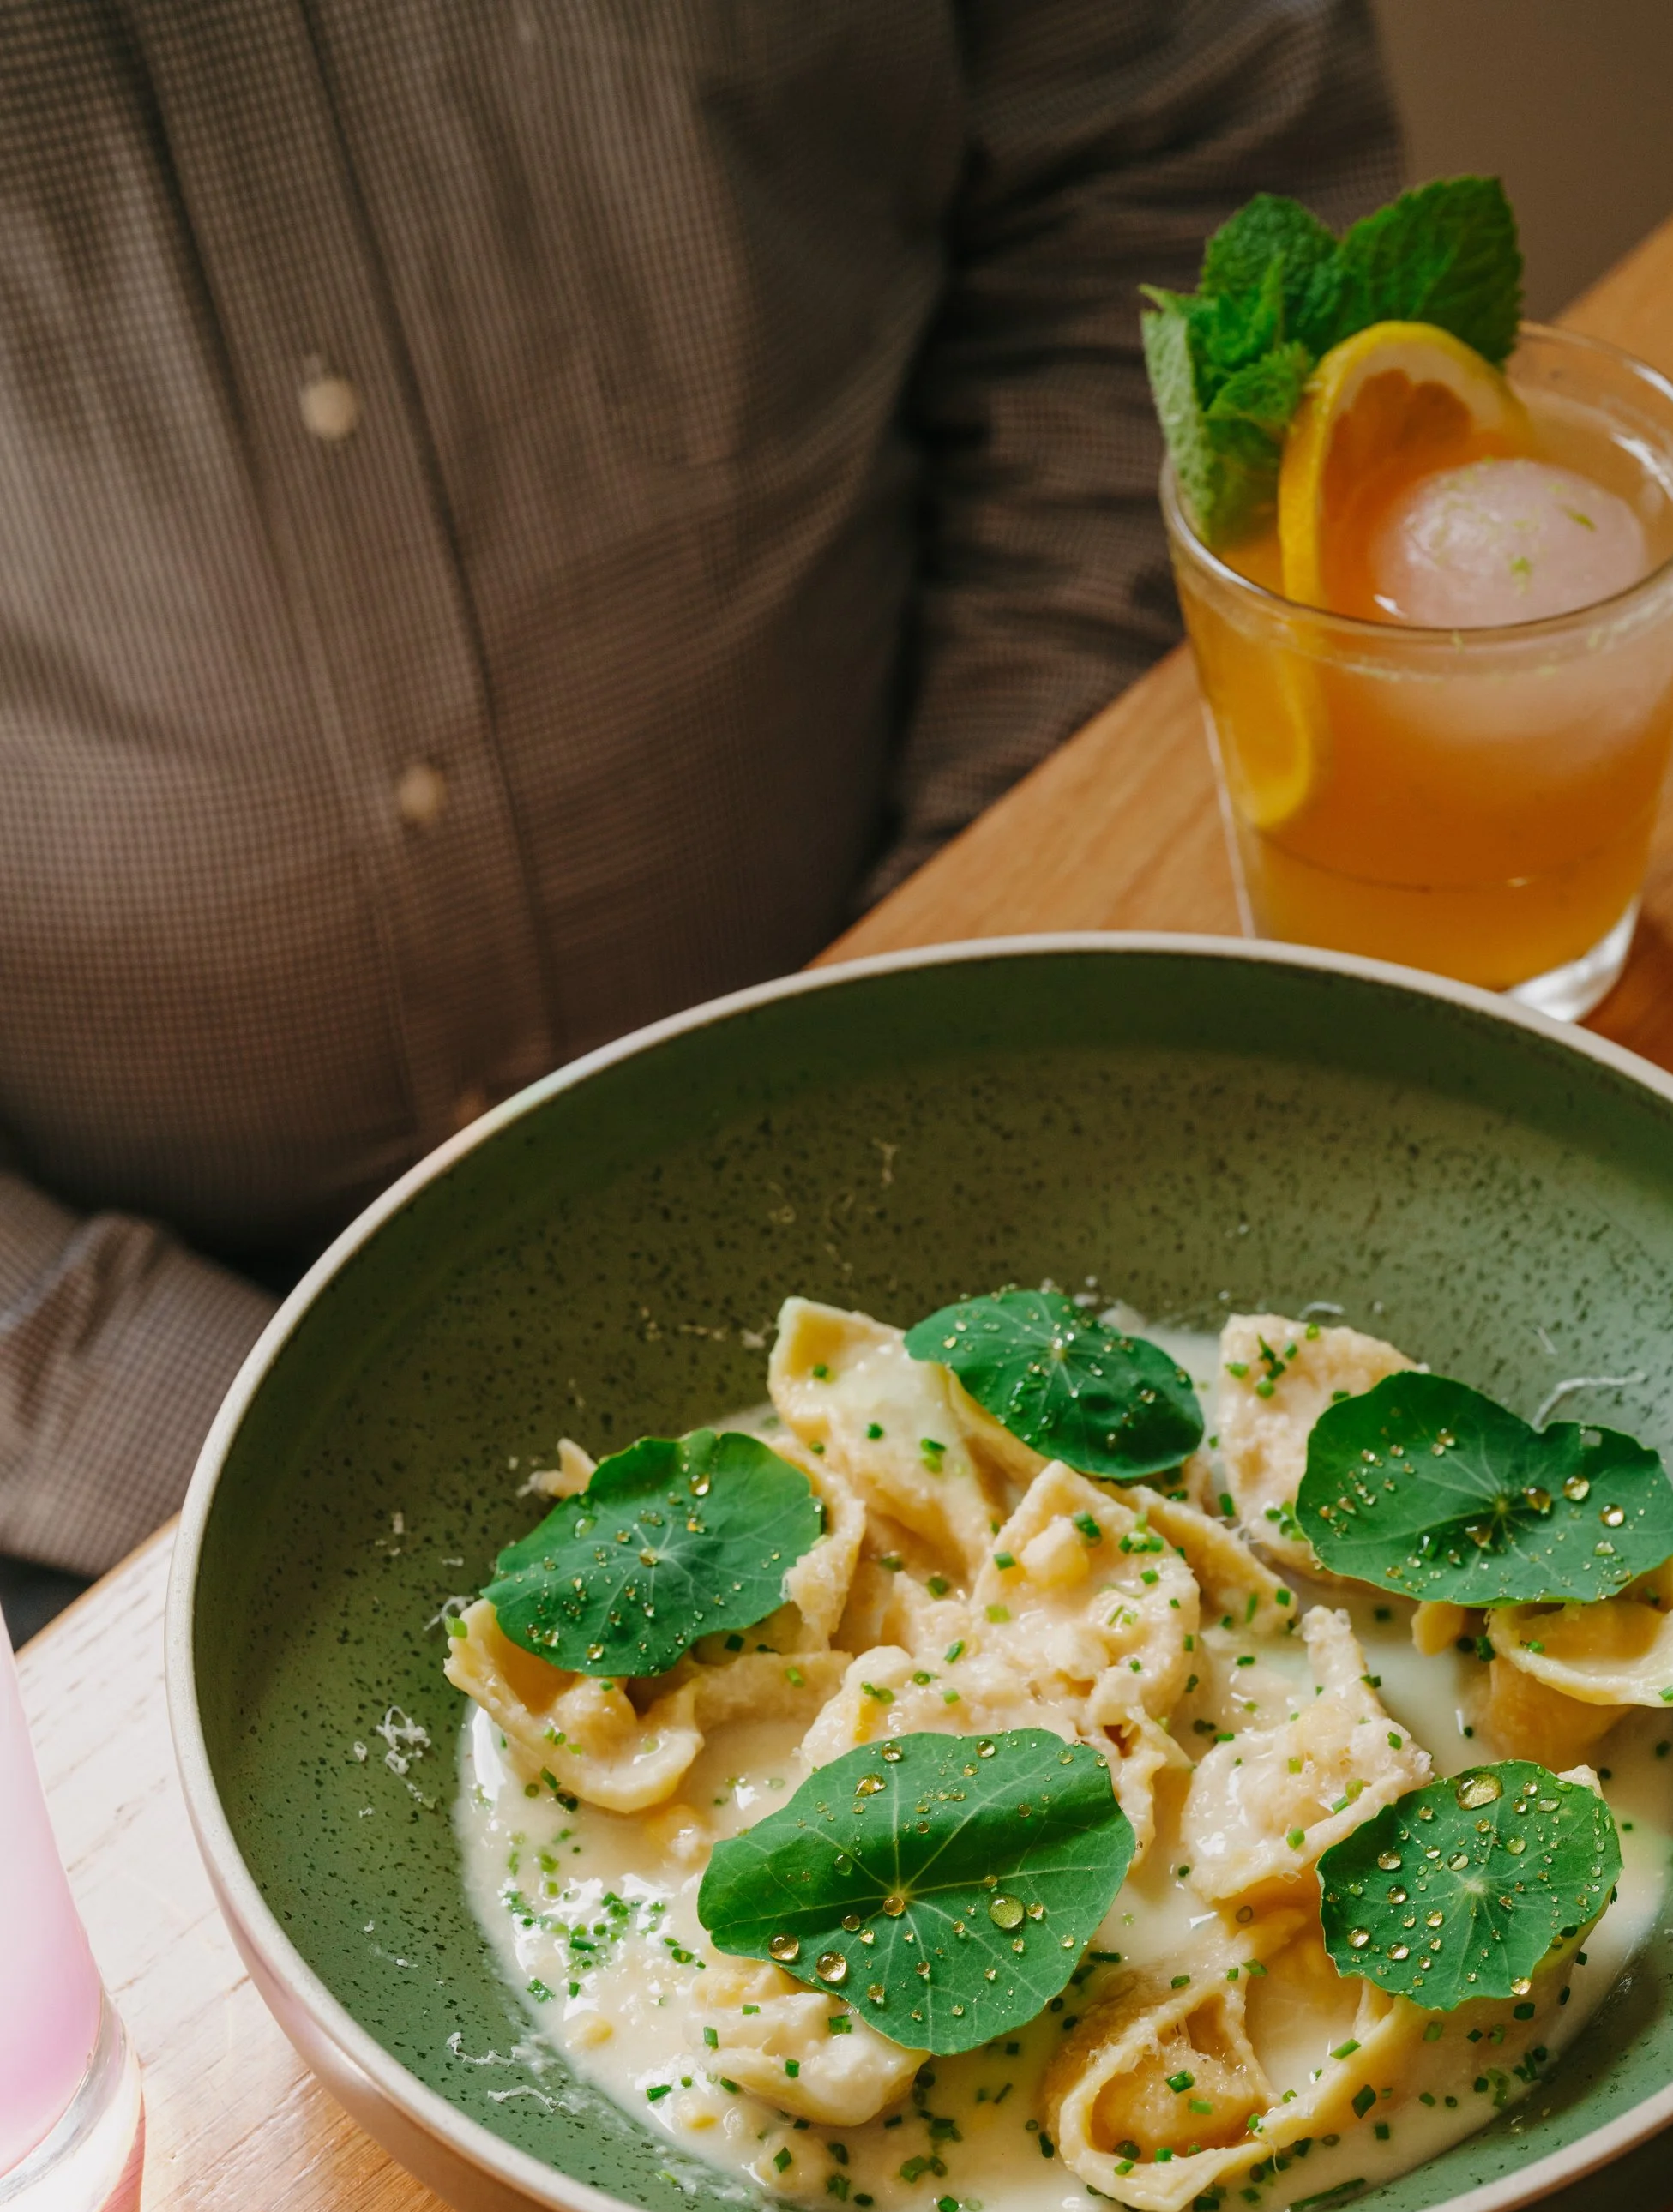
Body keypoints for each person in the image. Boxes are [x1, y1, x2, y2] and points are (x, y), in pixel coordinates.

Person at [0, 1, 1397, 1623]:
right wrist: (263, 1454)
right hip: (111, 1447)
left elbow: (1176, 136)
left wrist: (973, 954)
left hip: (1007, 1048)